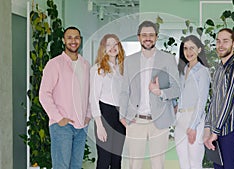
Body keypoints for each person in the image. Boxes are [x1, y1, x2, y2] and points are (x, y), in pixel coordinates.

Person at [119, 20, 180, 169]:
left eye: (151, 35)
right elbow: (125, 91)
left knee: (158, 164)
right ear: (139, 37)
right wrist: (122, 115)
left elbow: (177, 89)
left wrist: (160, 92)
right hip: (135, 120)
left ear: (157, 37)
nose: (148, 38)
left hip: (159, 120)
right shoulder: (129, 61)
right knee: (134, 164)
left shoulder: (168, 59)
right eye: (144, 35)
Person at [39, 26, 91, 168]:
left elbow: (89, 93)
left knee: (76, 166)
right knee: (61, 166)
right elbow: (44, 94)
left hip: (81, 126)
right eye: (69, 37)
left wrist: (88, 115)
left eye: (76, 37)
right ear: (63, 40)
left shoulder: (86, 65)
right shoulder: (54, 64)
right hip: (62, 126)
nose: (73, 41)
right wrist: (59, 118)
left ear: (80, 40)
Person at [203, 28, 234, 169]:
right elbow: (214, 101)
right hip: (216, 133)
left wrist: (214, 132)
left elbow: (229, 101)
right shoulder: (218, 69)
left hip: (229, 131)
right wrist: (207, 128)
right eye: (218, 41)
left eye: (225, 41)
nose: (221, 45)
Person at [89, 34, 126, 169]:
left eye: (115, 44)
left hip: (120, 116)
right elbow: (93, 98)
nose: (112, 47)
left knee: (117, 159)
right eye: (108, 44)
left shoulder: (122, 69)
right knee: (104, 159)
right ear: (103, 48)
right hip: (105, 115)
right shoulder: (98, 69)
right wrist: (99, 125)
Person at [174, 35, 210, 169]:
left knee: (194, 164)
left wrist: (193, 126)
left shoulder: (203, 72)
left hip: (195, 120)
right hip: (180, 120)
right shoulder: (182, 71)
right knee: (183, 163)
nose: (188, 52)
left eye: (192, 48)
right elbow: (179, 95)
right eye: (186, 48)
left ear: (199, 49)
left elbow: (201, 101)